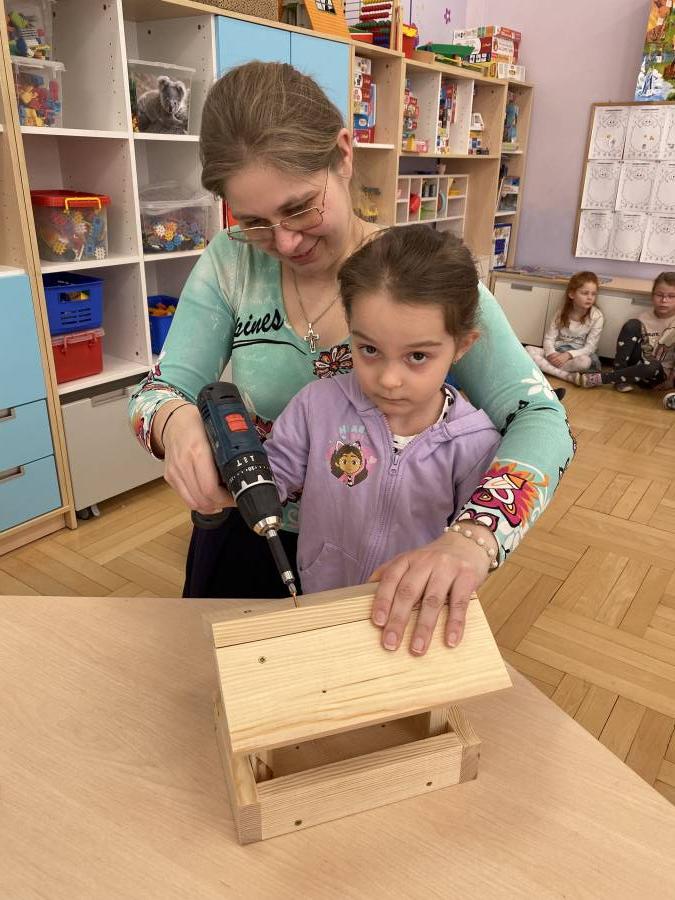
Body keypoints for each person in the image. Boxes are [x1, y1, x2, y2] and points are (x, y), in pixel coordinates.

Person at [128, 61, 575, 653]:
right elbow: (158, 391)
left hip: (382, 561)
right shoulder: (231, 261)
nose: (284, 242)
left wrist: (473, 537)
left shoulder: (418, 279)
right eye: (254, 222)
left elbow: (542, 419)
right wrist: (174, 421)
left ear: (343, 154)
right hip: (251, 530)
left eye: (300, 208)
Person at [249, 227, 499, 653]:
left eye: (417, 356)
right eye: (369, 350)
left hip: (409, 617)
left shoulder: (474, 443)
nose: (388, 379)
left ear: (461, 345)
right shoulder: (317, 403)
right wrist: (237, 478)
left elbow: (471, 547)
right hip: (318, 596)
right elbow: (275, 476)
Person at [575, 272, 675, 408]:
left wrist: (670, 381)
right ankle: (620, 378)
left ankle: (603, 378)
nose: (664, 300)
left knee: (653, 365)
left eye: (671, 296)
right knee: (632, 324)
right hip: (633, 367)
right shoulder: (644, 318)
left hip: (656, 376)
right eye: (660, 295)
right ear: (652, 295)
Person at [526, 272, 603, 384]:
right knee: (528, 349)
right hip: (557, 351)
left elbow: (590, 348)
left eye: (593, 294)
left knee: (585, 362)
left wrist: (568, 355)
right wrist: (551, 353)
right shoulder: (561, 312)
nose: (590, 297)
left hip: (578, 355)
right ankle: (566, 376)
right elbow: (549, 338)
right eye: (585, 293)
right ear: (571, 294)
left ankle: (548, 368)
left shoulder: (597, 316)